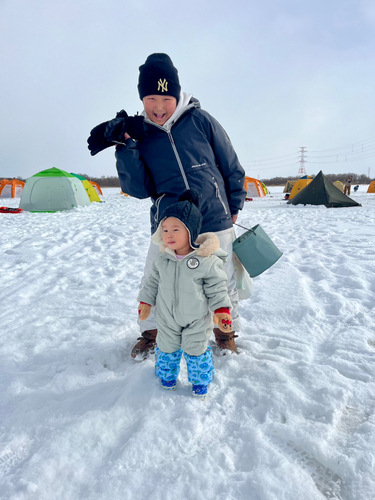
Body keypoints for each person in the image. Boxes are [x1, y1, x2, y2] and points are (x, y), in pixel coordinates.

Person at [87, 53, 246, 359]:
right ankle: (152, 332)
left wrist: (235, 201)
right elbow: (138, 188)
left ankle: (224, 333)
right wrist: (126, 146)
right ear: (141, 98)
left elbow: (230, 163)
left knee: (222, 279)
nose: (158, 107)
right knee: (156, 278)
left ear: (176, 95)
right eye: (150, 98)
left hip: (214, 216)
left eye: (165, 98)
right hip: (170, 224)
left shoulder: (200, 120)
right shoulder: (140, 134)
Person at [138, 191, 232, 398]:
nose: (168, 234)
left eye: (175, 229)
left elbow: (217, 287)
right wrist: (145, 301)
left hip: (197, 318)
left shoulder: (206, 261)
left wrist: (222, 310)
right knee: (166, 347)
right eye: (164, 230)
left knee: (196, 349)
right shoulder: (162, 260)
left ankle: (200, 381)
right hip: (167, 317)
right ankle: (167, 376)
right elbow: (152, 282)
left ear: (190, 231)